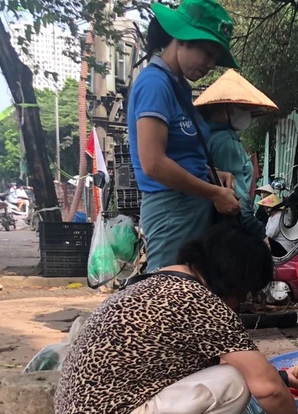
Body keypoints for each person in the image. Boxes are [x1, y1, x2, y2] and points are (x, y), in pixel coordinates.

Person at [54, 222, 298, 414]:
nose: (242, 302)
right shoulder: (200, 301)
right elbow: (265, 388)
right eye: (246, 292)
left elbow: (226, 364)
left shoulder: (159, 280)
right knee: (232, 383)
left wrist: (285, 377)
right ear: (236, 279)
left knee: (229, 375)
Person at [128, 0, 242, 271]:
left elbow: (181, 154)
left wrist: (212, 172)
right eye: (207, 53)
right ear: (182, 39)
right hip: (171, 209)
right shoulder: (155, 84)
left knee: (190, 294)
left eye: (215, 58)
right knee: (169, 296)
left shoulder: (177, 86)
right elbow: (153, 163)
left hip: (190, 206)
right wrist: (214, 192)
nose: (211, 64)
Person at [195, 69, 278, 239]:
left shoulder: (208, 137)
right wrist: (259, 233)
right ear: (223, 109)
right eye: (239, 107)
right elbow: (237, 199)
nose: (244, 113)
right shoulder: (225, 142)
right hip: (231, 230)